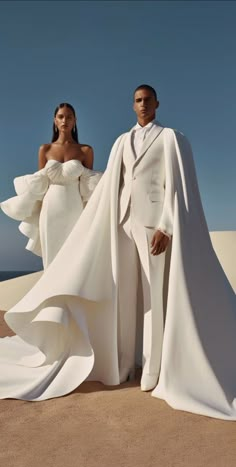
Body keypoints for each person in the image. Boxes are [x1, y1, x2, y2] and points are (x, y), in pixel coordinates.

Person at [0, 86, 236, 421]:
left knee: (154, 297)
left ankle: (153, 371)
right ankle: (126, 364)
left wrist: (167, 227)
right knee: (122, 296)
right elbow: (112, 185)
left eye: (147, 100)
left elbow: (177, 185)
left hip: (155, 228)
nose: (142, 105)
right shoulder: (122, 141)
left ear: (157, 103)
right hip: (123, 224)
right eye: (137, 100)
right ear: (133, 105)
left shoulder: (171, 138)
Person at [0, 103, 102, 268]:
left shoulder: (85, 150)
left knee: (75, 256)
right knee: (52, 259)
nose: (65, 120)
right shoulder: (45, 149)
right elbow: (40, 184)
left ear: (75, 121)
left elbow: (89, 187)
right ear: (55, 120)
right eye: (61, 117)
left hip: (74, 208)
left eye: (69, 117)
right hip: (50, 209)